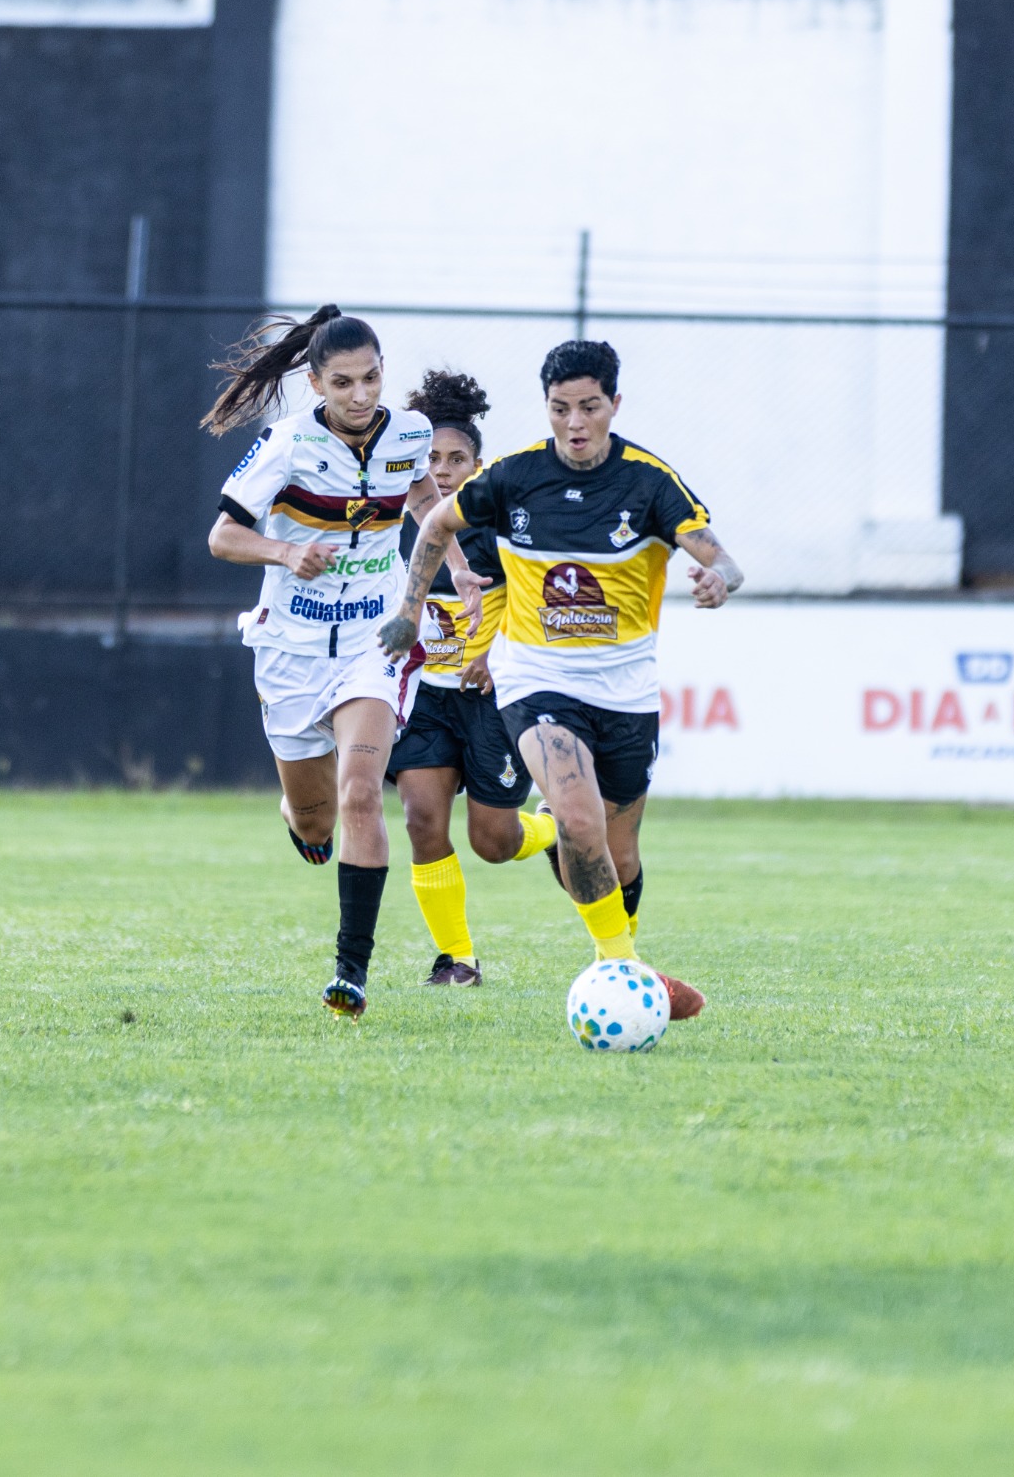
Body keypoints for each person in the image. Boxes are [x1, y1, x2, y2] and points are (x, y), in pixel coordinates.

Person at [387, 338, 742, 1021]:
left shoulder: (648, 481)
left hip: (625, 689)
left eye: (588, 407)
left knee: (619, 850)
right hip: (536, 679)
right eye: (560, 409)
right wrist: (409, 611)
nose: (574, 422)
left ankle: (623, 957)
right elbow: (435, 523)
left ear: (614, 404)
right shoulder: (517, 477)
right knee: (577, 823)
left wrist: (716, 579)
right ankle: (623, 976)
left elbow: (719, 555)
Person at [203, 305, 475, 1018]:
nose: (362, 394)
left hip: (370, 643)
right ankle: (299, 818)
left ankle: (350, 974)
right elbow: (223, 536)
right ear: (318, 384)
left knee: (362, 793)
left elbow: (423, 497)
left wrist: (465, 570)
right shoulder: (286, 444)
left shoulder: (410, 433)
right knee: (318, 820)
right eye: (345, 382)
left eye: (373, 377)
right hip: (289, 650)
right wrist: (287, 551)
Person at [383, 371, 560, 987]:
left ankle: (554, 829)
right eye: (431, 458)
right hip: (423, 700)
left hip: (488, 698)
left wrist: (500, 651)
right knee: (421, 820)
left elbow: (537, 596)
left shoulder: (499, 525)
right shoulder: (393, 523)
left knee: (493, 840)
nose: (444, 468)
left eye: (457, 458)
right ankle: (457, 958)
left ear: (478, 465)